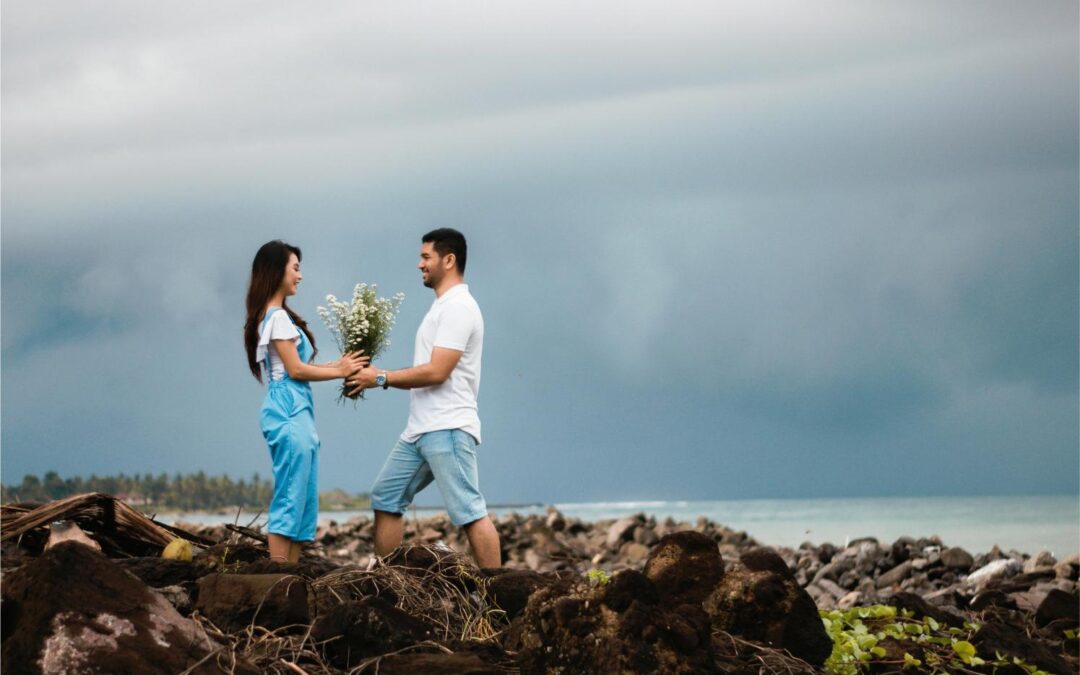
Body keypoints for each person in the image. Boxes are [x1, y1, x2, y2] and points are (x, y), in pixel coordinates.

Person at [347, 228, 501, 568]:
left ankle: (498, 598)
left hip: (448, 427)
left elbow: (437, 371)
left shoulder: (460, 307)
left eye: (426, 257)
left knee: (469, 512)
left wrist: (381, 377)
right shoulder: (442, 307)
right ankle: (388, 581)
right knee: (386, 497)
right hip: (420, 430)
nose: (419, 264)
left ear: (449, 260)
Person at [244, 240, 368, 563]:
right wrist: (339, 369)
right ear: (277, 271)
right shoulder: (277, 319)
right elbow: (296, 370)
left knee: (302, 501)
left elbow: (294, 369)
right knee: (290, 497)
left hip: (296, 410)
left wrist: (341, 367)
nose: (300, 276)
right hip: (287, 411)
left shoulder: (275, 317)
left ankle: (290, 578)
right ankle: (278, 577)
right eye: (295, 268)